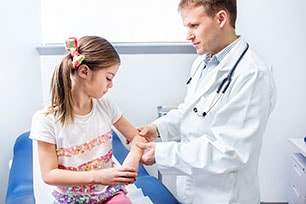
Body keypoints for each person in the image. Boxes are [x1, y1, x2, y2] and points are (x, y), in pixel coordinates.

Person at [136, 0, 277, 203]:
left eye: (194, 25)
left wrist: (161, 153)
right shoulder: (203, 63)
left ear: (221, 18)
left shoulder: (252, 74)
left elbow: (229, 151)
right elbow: (191, 111)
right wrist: (157, 128)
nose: (188, 35)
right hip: (193, 189)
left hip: (224, 195)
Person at [30, 36, 147, 204]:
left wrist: (133, 159)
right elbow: (49, 174)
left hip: (108, 193)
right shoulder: (45, 120)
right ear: (84, 71)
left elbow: (137, 137)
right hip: (70, 199)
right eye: (108, 77)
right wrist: (98, 176)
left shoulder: (105, 105)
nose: (111, 85)